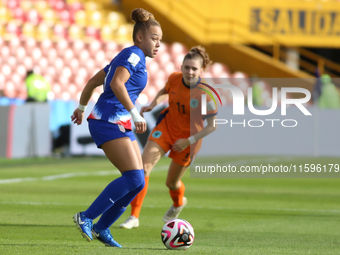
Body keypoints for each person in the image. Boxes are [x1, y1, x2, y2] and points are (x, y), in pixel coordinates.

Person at [71, 8, 162, 247]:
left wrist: (81, 108)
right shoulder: (133, 55)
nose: (158, 44)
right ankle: (87, 217)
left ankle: (102, 227)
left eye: (160, 40)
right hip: (107, 121)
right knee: (133, 177)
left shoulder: (128, 56)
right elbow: (116, 83)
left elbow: (92, 82)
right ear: (140, 37)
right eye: (154, 38)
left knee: (139, 180)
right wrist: (135, 114)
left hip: (116, 121)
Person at [120, 46, 218, 229]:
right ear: (181, 67)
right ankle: (134, 216)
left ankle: (178, 203)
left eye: (194, 69)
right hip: (166, 129)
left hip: (188, 141)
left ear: (201, 70)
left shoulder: (206, 94)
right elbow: (164, 92)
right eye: (186, 67)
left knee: (171, 183)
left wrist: (187, 141)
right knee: (143, 168)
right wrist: (153, 104)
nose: (189, 72)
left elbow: (212, 126)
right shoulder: (174, 78)